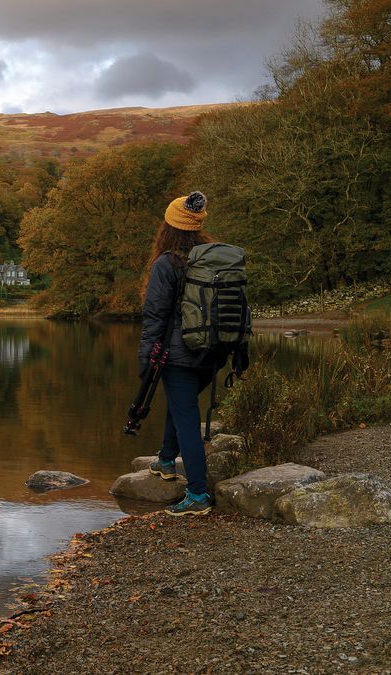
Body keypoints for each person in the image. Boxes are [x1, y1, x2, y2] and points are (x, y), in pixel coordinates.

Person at [139, 191, 219, 516]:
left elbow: (155, 317)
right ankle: (166, 460)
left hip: (180, 353)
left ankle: (198, 494)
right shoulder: (213, 258)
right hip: (214, 351)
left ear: (168, 227)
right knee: (180, 403)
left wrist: (146, 360)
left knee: (186, 416)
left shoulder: (167, 263)